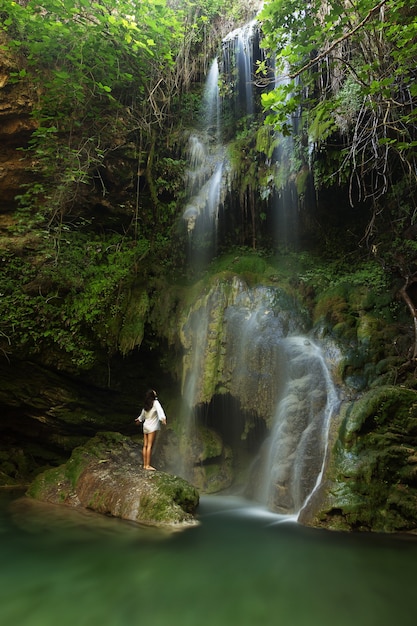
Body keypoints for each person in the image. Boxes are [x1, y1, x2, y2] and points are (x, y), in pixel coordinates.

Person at [135, 389, 167, 470]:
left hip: (145, 426)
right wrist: (163, 418)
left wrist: (139, 420)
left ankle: (144, 465)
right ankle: (148, 465)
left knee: (145, 445)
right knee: (149, 446)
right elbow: (160, 410)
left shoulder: (146, 404)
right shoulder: (155, 402)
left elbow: (142, 415)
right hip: (152, 427)